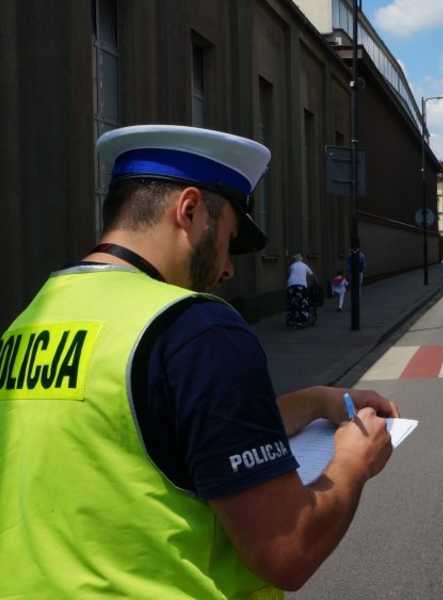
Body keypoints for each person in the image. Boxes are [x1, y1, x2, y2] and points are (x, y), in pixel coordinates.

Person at [0, 125, 397, 598]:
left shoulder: (31, 319)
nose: (228, 268)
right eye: (228, 238)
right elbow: (288, 550)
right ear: (188, 211)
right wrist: (353, 461)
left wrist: (312, 402)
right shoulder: (196, 327)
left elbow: (152, 428)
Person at [287, 253, 315, 326]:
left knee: (293, 300)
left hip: (291, 285)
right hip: (301, 286)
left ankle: (292, 314)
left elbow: (290, 273)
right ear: (301, 259)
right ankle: (301, 319)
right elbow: (311, 274)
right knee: (303, 301)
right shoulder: (304, 265)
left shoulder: (292, 265)